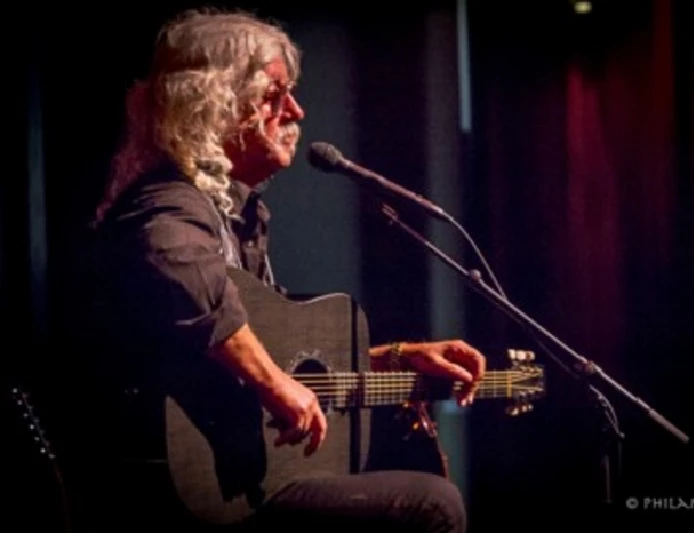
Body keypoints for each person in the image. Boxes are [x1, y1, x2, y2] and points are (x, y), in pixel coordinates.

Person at [74, 7, 486, 533]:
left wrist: (399, 360)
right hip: (179, 497)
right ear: (214, 104)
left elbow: (281, 355)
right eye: (274, 95)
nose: (295, 109)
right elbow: (173, 263)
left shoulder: (233, 212)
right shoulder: (170, 202)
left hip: (239, 484)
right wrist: (272, 384)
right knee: (433, 504)